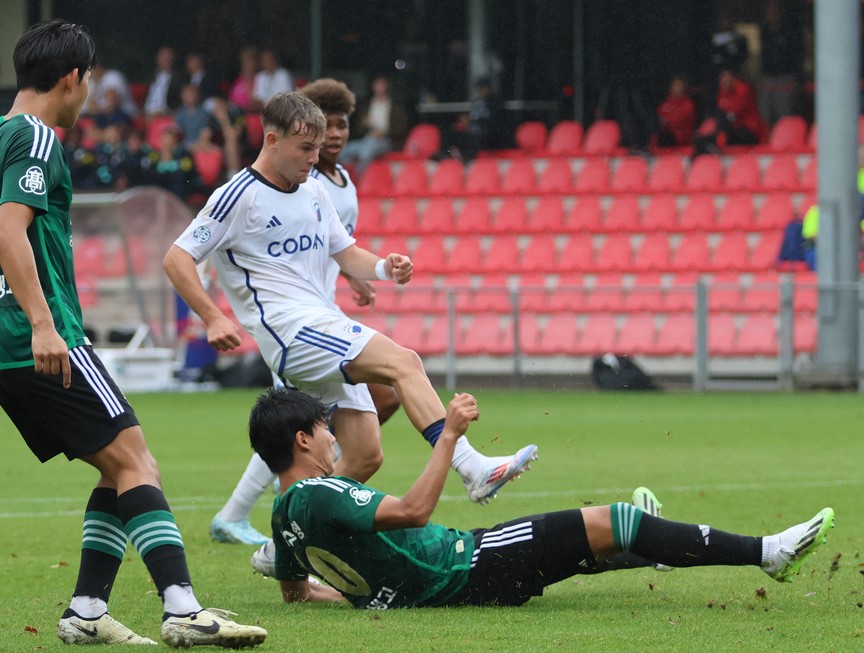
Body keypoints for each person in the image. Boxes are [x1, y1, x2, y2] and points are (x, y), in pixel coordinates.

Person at [163, 92, 537, 538]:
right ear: (272, 139)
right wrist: (212, 317)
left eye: (317, 149)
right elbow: (177, 257)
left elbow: (346, 253)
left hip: (319, 322)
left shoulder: (315, 189)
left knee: (363, 456)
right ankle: (472, 466)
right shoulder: (236, 196)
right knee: (404, 362)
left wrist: (384, 267)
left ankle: (288, 539)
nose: (313, 158)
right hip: (292, 332)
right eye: (305, 149)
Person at [0, 20, 266, 647]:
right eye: (87, 79)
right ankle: (182, 608)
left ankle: (87, 611)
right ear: (72, 78)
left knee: (116, 469)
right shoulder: (35, 137)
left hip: (10, 338)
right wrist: (43, 322)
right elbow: (9, 231)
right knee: (138, 460)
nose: (88, 91)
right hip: (36, 332)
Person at [247, 387, 835, 609]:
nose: (333, 436)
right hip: (466, 565)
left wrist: (366, 595)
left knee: (599, 541)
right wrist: (448, 435)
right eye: (325, 430)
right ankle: (768, 553)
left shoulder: (282, 514)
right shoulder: (322, 491)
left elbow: (297, 593)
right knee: (618, 519)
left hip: (456, 577)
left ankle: (655, 545)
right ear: (303, 439)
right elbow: (412, 511)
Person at [208, 78, 403, 545]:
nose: (333, 136)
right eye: (323, 128)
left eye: (341, 126)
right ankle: (280, 525)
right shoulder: (279, 186)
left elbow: (337, 246)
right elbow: (197, 250)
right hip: (293, 327)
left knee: (375, 408)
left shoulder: (337, 185)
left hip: (325, 315)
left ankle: (291, 519)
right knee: (300, 429)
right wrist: (212, 312)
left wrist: (363, 275)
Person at [340, 75, 407, 176]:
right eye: (377, 85)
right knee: (344, 151)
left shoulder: (395, 107)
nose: (379, 88)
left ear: (387, 87)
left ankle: (360, 179)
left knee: (366, 152)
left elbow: (402, 128)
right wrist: (365, 124)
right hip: (368, 138)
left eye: (382, 85)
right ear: (373, 87)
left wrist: (384, 133)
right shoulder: (367, 105)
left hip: (386, 140)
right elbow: (359, 128)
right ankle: (348, 176)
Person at [693, 69, 767, 157]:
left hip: (748, 132)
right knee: (699, 140)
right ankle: (709, 151)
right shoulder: (722, 92)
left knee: (721, 118)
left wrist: (724, 119)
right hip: (731, 130)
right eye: (723, 79)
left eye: (728, 78)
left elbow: (735, 113)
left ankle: (716, 143)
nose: (725, 82)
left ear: (734, 79)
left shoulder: (742, 89)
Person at [654, 76, 696, 148]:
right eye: (676, 85)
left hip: (680, 141)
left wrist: (663, 122)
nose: (678, 88)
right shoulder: (664, 103)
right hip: (663, 138)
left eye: (680, 85)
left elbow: (677, 121)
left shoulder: (688, 104)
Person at [143, 45, 181, 119]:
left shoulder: (177, 78)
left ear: (172, 58)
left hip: (165, 112)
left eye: (166, 56)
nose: (163, 59)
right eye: (161, 56)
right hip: (147, 111)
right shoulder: (152, 75)